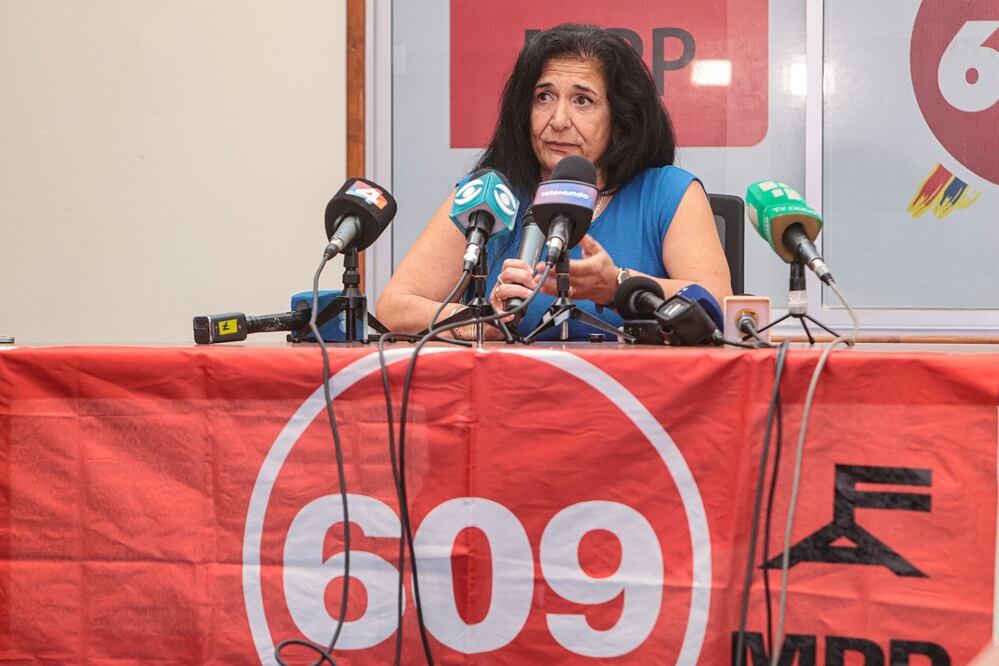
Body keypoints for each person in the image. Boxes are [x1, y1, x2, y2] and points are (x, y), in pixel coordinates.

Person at [376, 23, 732, 340]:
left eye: (582, 100)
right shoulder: (490, 194)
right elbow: (394, 307)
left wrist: (617, 286)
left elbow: (718, 301)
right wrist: (479, 318)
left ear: (620, 120)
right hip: (510, 390)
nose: (558, 120)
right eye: (544, 97)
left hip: (639, 391)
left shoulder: (667, 193)